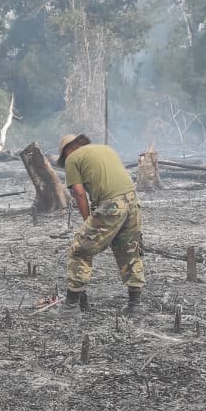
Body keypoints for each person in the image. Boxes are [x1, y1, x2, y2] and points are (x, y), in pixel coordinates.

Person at [56, 134, 145, 318]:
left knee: (80, 249)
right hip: (132, 201)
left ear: (67, 151)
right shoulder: (106, 149)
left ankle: (71, 308)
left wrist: (88, 221)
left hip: (112, 205)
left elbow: (79, 194)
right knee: (128, 250)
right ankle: (134, 306)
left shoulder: (72, 158)